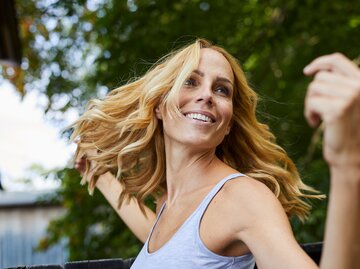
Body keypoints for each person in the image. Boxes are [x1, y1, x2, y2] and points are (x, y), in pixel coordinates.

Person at [72, 39, 360, 268]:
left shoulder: (242, 198)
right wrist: (101, 176)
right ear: (159, 107)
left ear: (228, 124)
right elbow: (168, 245)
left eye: (222, 90)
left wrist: (348, 163)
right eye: (190, 81)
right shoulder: (167, 206)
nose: (207, 95)